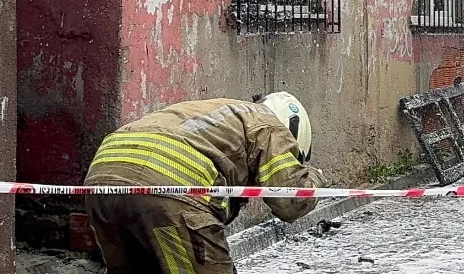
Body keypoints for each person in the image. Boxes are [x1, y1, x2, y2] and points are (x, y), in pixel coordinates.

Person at [85, 94, 324, 273]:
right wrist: (314, 180)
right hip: (168, 189)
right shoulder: (270, 126)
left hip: (101, 183)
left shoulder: (218, 113)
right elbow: (291, 201)